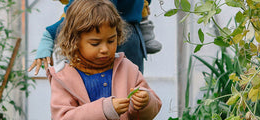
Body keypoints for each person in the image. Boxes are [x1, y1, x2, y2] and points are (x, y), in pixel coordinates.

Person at [28, 0, 161, 76]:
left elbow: (82, 14)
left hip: (120, 38)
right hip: (130, 36)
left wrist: (49, 36)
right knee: (128, 97)